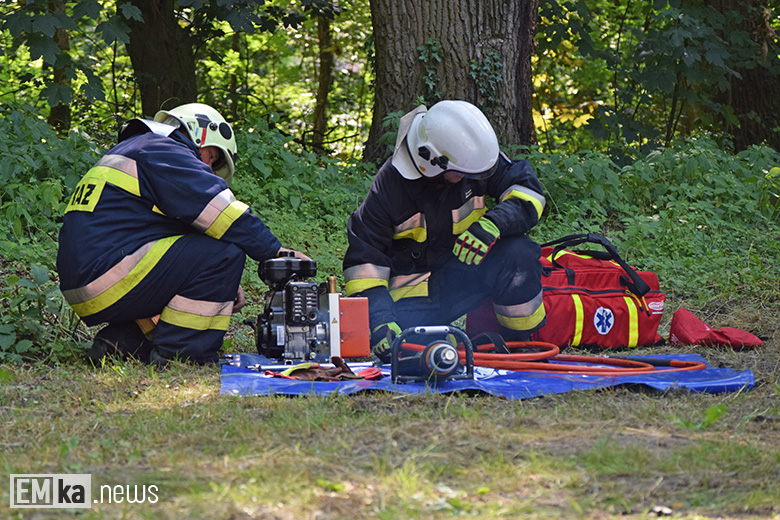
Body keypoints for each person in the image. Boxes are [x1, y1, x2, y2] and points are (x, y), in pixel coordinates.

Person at [57, 103, 306, 366]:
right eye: (212, 157)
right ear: (200, 133)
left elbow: (179, 240)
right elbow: (222, 211)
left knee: (214, 257)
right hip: (108, 276)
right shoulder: (164, 151)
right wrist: (274, 251)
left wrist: (222, 282)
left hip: (91, 278)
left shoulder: (137, 148)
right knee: (225, 254)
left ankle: (123, 341)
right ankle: (182, 355)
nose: (209, 168)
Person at [343, 100, 547, 362]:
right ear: (430, 161)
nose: (468, 176)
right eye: (459, 173)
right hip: (413, 297)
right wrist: (380, 320)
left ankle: (520, 346)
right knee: (422, 357)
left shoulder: (469, 162)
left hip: (463, 275)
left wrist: (494, 222)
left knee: (518, 253)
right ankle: (444, 341)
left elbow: (527, 191)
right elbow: (364, 265)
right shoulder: (389, 189)